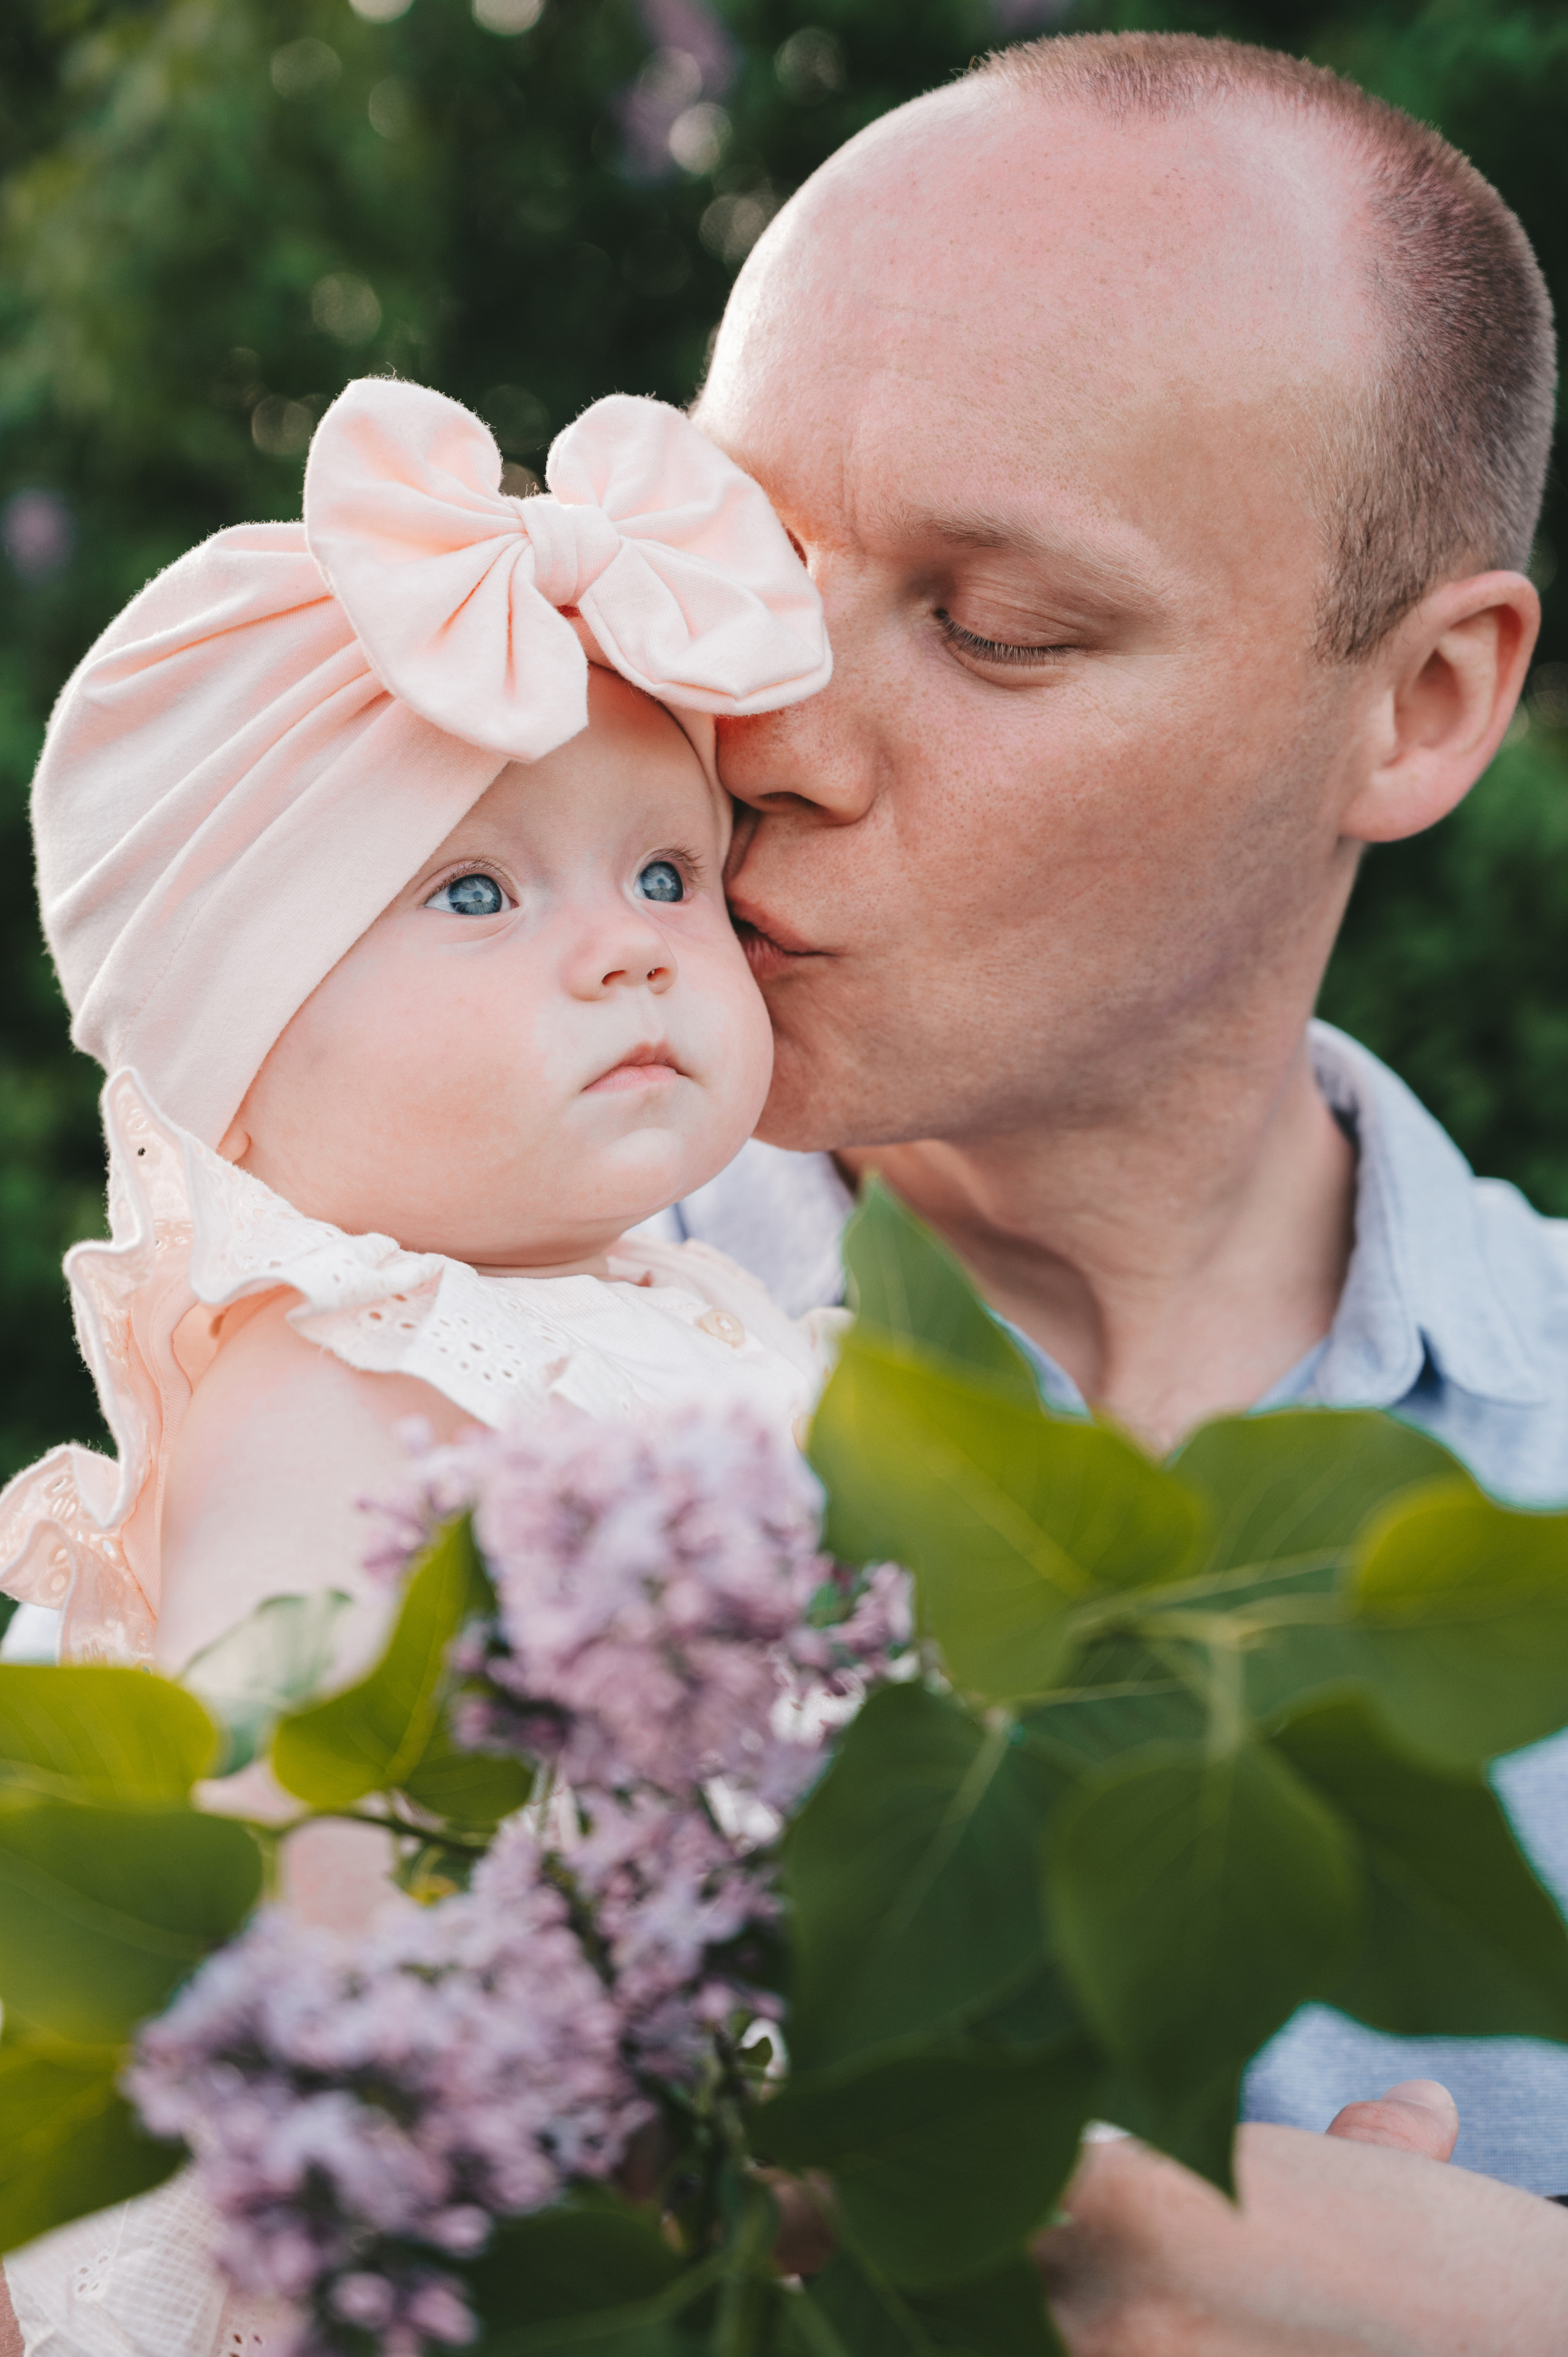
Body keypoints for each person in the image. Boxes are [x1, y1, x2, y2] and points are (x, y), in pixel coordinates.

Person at [638, 25, 1568, 2354]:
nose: (771, 738)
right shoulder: (387, 1413)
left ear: (1427, 706)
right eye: (743, 567)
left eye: (1003, 628)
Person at [0, 372, 834, 2354]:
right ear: (242, 1064)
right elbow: (314, 1891)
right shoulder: (330, 1386)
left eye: (667, 873)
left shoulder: (715, 1314)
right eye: (475, 892)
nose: (630, 948)